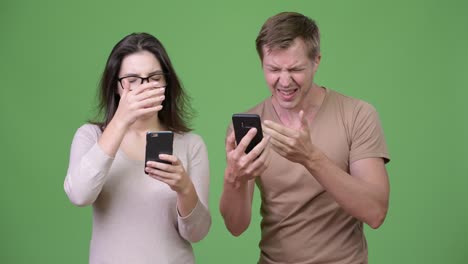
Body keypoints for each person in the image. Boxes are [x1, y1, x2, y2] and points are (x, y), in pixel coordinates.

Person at [220, 12, 390, 264]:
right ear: (262, 64)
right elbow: (235, 226)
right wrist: (234, 177)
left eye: (296, 69)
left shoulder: (357, 114)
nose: (285, 81)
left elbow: (375, 212)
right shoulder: (249, 125)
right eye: (274, 69)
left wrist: (310, 157)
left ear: (316, 61)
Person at [64, 33, 211, 264]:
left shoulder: (190, 144)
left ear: (166, 83)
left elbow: (197, 233)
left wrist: (184, 188)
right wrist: (121, 121)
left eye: (154, 77)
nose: (144, 87)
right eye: (132, 79)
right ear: (117, 87)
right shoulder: (91, 136)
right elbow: (80, 194)